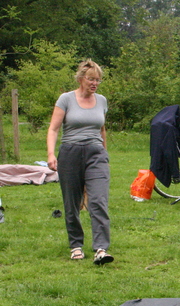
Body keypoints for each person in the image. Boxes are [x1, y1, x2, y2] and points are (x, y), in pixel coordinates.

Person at [46, 59, 114, 265]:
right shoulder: (66, 99)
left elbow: (101, 130)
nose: (95, 83)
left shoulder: (101, 101)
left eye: (98, 80)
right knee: (72, 203)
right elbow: (53, 129)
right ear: (81, 79)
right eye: (91, 79)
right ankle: (76, 245)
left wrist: (105, 153)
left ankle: (101, 249)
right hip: (70, 153)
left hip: (96, 154)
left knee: (98, 201)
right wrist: (51, 154)